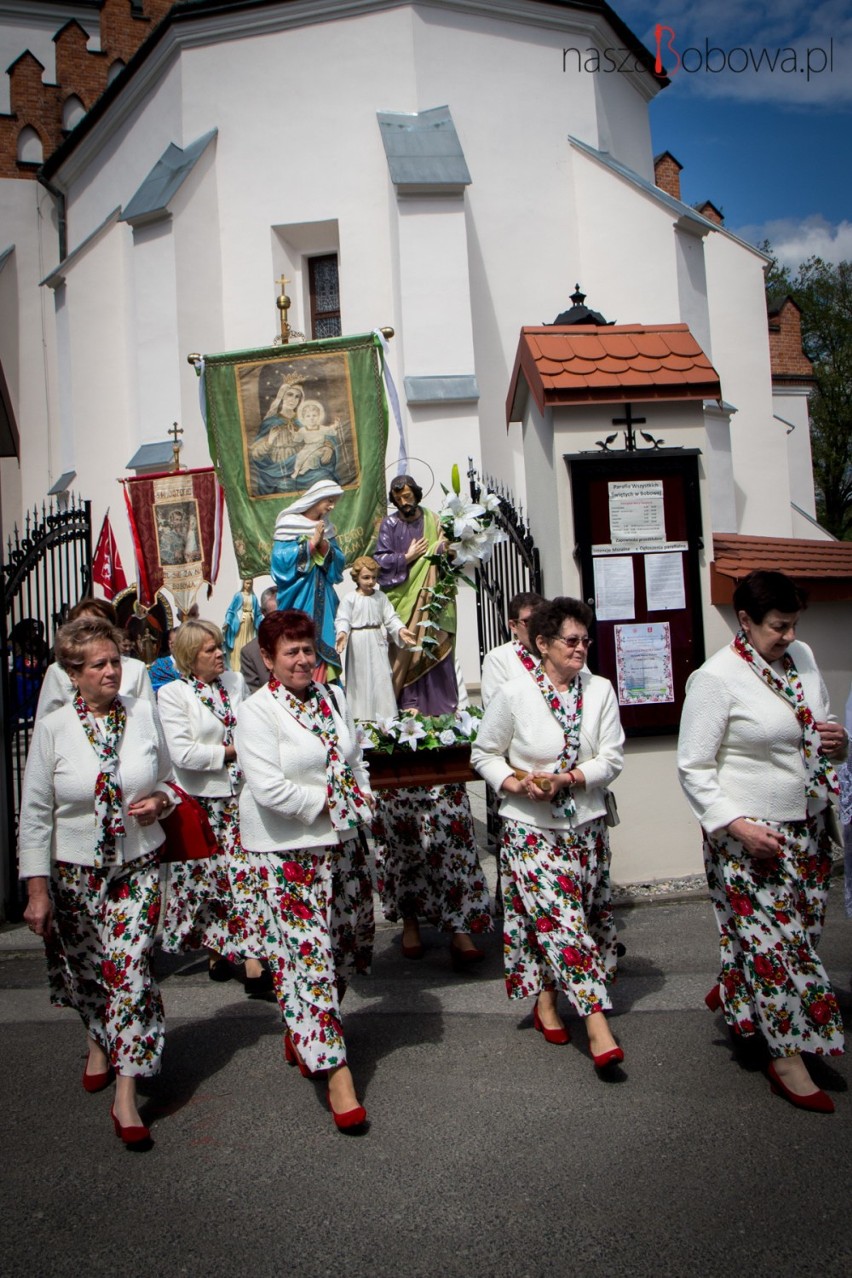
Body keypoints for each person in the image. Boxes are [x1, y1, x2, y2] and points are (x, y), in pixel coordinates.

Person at [677, 569, 847, 1113]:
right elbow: (694, 768)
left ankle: (735, 987)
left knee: (804, 936)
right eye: (779, 626)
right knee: (778, 950)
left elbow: (821, 723)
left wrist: (839, 741)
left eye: (795, 624)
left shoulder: (803, 657)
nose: (790, 636)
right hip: (751, 836)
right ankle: (788, 1058)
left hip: (811, 825)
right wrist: (735, 825)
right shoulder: (716, 678)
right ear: (744, 620)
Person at [18, 616, 174, 1148]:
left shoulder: (142, 716)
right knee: (87, 970)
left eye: (116, 661)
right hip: (74, 873)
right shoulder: (54, 727)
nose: (113, 671)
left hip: (136, 864)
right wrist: (36, 888)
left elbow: (171, 779)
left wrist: (162, 800)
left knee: (128, 970)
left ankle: (127, 1094)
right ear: (74, 674)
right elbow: (36, 813)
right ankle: (97, 1038)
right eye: (100, 665)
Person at [235, 609, 374, 1132]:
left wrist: (360, 797)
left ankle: (305, 1026)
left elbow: (356, 761)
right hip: (287, 854)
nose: (301, 659)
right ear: (268, 660)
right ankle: (337, 1074)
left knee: (338, 952)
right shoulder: (256, 711)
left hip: (341, 846)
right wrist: (338, 800)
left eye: (306, 649)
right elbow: (269, 790)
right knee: (309, 959)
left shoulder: (333, 698)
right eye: (289, 651)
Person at [472, 597, 625, 1069]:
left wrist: (570, 779)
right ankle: (597, 1025)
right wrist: (513, 782)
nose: (581, 648)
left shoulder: (599, 690)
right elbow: (484, 754)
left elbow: (612, 757)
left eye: (585, 640)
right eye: (571, 641)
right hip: (531, 827)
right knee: (562, 923)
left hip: (586, 824)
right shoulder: (515, 693)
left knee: (581, 915)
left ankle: (544, 999)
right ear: (542, 644)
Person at [157, 620, 270, 993]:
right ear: (191, 657)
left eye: (220, 646)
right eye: (210, 649)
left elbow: (253, 724)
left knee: (245, 878)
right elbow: (184, 753)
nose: (221, 653)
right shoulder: (173, 694)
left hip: (240, 799)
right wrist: (233, 752)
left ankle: (254, 963)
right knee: (207, 885)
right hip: (202, 803)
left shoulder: (235, 683)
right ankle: (215, 950)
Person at [373, 474, 457, 714]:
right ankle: (408, 702)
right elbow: (380, 561)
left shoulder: (434, 519)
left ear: (416, 495)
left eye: (407, 496)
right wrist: (406, 558)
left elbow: (447, 549)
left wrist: (443, 548)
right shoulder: (389, 524)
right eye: (398, 498)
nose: (404, 501)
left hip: (432, 595)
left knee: (436, 642)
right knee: (406, 649)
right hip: (403, 597)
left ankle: (441, 705)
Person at [270, 479, 345, 682]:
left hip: (323, 598)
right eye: (329, 500)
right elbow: (279, 562)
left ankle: (327, 689)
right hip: (298, 596)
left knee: (324, 642)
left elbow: (339, 563)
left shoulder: (326, 527)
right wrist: (311, 544)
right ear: (316, 499)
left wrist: (323, 546)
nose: (331, 506)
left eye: (334, 502)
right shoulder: (288, 524)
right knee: (299, 637)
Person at [35, 597, 156, 721]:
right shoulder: (57, 671)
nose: (94, 633)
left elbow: (151, 719)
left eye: (100, 625)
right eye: (86, 627)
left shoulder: (135, 668)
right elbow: (45, 723)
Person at [335, 556, 415, 721]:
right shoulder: (350, 598)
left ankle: (385, 716)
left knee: (381, 676)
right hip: (358, 641)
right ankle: (359, 718)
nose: (371, 581)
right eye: (366, 577)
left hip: (376, 640)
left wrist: (400, 629)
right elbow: (343, 618)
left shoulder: (380, 597)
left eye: (374, 577)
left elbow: (391, 617)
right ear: (356, 577)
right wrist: (342, 633)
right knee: (360, 678)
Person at [480, 591, 546, 708]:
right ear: (513, 626)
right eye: (529, 621)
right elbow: (496, 711)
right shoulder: (498, 659)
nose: (537, 626)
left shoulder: (561, 652)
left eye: (542, 619)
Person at [249, 379, 304, 495]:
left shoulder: (302, 422)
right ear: (282, 396)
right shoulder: (271, 422)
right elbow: (254, 454)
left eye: (297, 396)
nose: (293, 400)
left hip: (299, 471)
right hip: (274, 471)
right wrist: (269, 441)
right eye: (289, 394)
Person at [238, 586, 279, 693]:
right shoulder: (251, 652)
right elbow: (253, 693)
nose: (282, 620)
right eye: (276, 615)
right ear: (263, 612)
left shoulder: (304, 643)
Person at [223, 579, 262, 673]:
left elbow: (258, 614)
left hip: (250, 626)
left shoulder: (254, 597)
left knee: (249, 644)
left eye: (250, 584)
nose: (248, 585)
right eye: (247, 583)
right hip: (240, 625)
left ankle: (248, 668)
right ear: (243, 583)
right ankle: (237, 667)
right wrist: (228, 621)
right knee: (238, 646)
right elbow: (231, 610)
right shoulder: (238, 596)